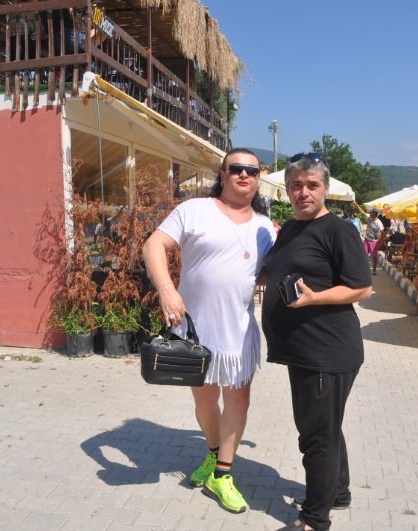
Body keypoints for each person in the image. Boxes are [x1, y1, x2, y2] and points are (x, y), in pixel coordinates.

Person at [142, 148, 275, 514]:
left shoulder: (265, 227)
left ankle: (223, 474)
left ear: (258, 178)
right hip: (196, 332)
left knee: (239, 401)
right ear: (223, 173)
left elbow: (273, 269)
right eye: (237, 168)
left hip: (239, 331)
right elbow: (154, 244)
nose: (244, 174)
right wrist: (166, 290)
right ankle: (214, 453)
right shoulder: (195, 209)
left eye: (252, 170)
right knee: (204, 402)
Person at [262, 153, 372, 531]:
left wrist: (314, 298)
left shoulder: (339, 230)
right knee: (325, 426)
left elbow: (361, 288)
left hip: (326, 349)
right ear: (287, 190)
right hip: (301, 350)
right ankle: (337, 492)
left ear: (325, 189)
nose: (303, 192)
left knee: (316, 436)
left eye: (312, 185)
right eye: (296, 185)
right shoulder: (290, 229)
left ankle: (314, 519)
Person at [352, 202, 384, 275]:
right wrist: (356, 204)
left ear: (375, 214)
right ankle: (362, 269)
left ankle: (374, 270)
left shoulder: (378, 222)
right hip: (367, 239)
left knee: (374, 256)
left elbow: (382, 232)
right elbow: (362, 212)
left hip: (374, 241)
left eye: (371, 212)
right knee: (364, 255)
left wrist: (380, 242)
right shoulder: (369, 217)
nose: (370, 213)